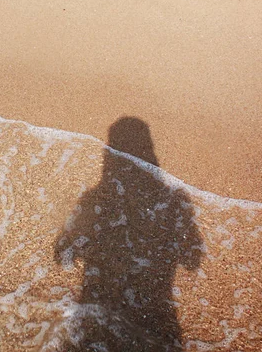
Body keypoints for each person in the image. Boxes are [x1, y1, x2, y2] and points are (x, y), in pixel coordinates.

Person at [55, 117, 203, 351]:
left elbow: (62, 253)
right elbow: (193, 260)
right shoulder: (174, 201)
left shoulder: (93, 200)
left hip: (95, 312)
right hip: (156, 315)